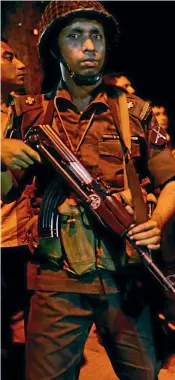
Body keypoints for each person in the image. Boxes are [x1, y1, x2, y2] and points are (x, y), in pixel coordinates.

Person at [2, 2, 175, 378]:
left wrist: (158, 221)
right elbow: (5, 190)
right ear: (55, 49)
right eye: (75, 36)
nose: (89, 46)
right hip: (56, 281)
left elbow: (172, 180)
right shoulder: (31, 113)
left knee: (143, 373)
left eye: (96, 36)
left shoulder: (134, 111)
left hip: (125, 275)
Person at [0, 36, 30, 378]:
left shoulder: (27, 108)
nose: (20, 64)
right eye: (9, 57)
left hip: (22, 236)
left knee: (24, 321)